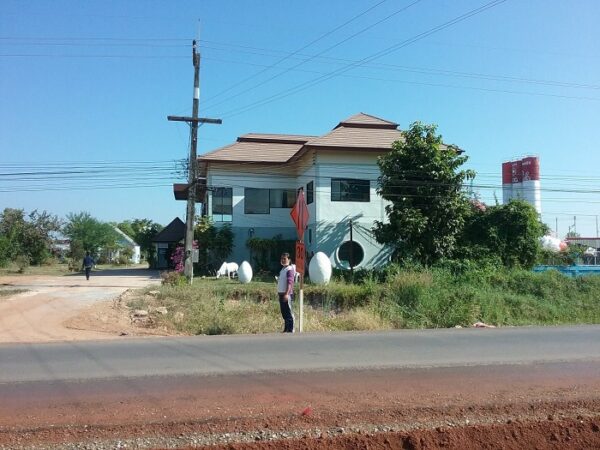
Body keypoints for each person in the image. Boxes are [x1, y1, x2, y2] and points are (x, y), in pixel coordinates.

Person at [277, 252, 296, 333]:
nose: (283, 260)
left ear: (289, 260)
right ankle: (286, 329)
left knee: (288, 313)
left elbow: (290, 283)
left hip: (286, 295)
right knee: (284, 313)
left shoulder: (289, 269)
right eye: (282, 259)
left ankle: (291, 329)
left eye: (285, 259)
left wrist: (287, 294)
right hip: (281, 294)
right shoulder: (283, 269)